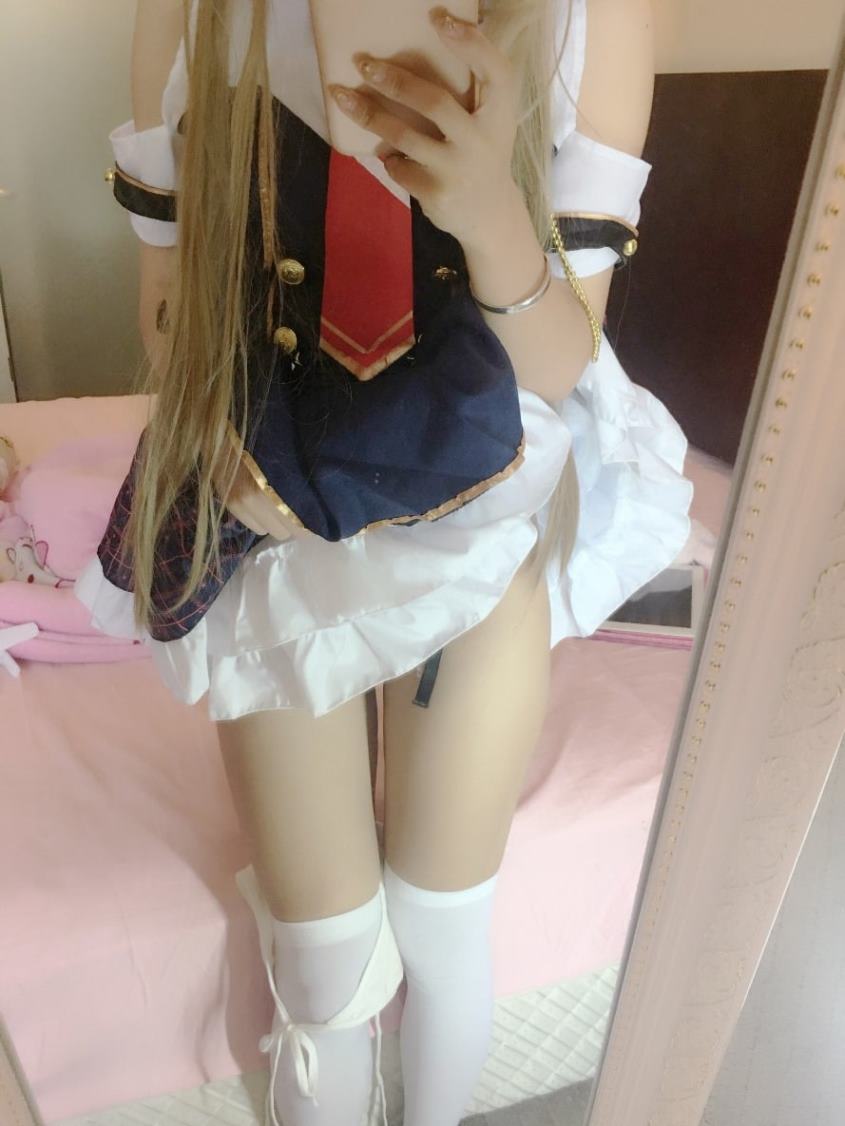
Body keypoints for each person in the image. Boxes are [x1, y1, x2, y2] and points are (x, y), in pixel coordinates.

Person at [74, 1, 692, 1123]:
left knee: (440, 927)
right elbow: (168, 317)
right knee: (324, 963)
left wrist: (491, 218)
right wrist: (214, 418)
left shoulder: (584, 23)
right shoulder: (195, 15)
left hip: (475, 524)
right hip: (273, 533)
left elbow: (566, 372)